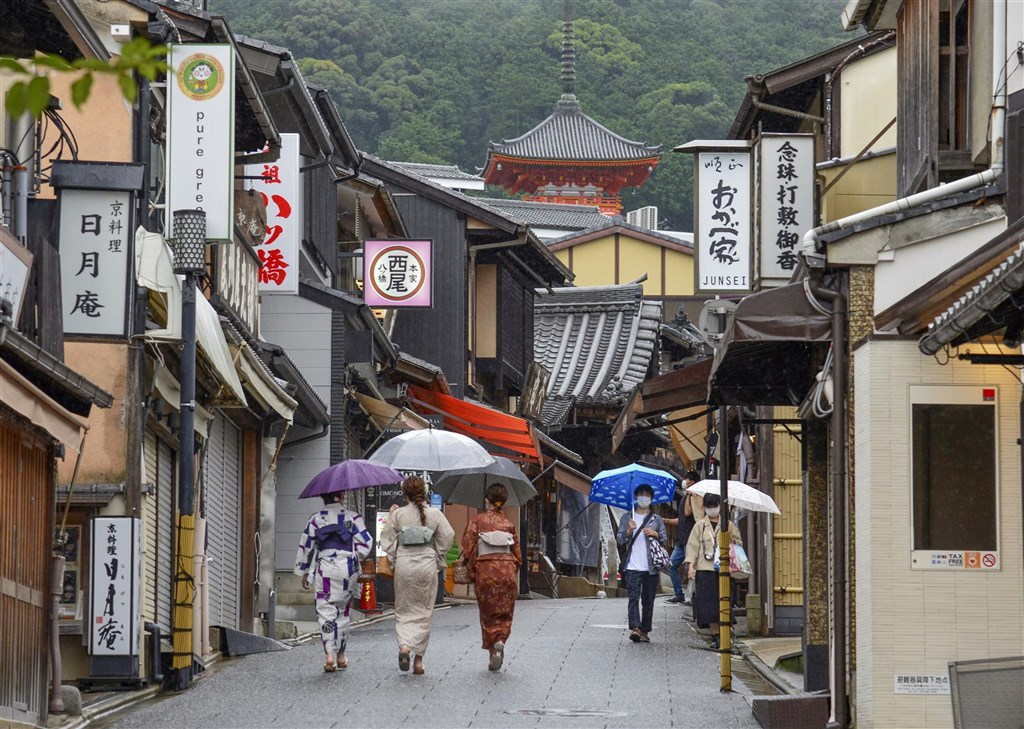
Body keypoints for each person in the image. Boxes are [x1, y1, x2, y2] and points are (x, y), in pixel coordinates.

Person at [380, 475, 455, 675]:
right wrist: (436, 553)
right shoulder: (435, 514)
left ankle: (404, 646)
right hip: (427, 564)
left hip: (405, 564)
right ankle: (419, 661)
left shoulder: (398, 515)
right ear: (424, 492)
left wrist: (397, 552)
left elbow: (386, 541)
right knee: (424, 611)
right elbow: (448, 536)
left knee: (404, 609)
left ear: (405, 494)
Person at [294, 491, 373, 672]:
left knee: (325, 609)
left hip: (325, 567)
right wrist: (352, 553)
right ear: (342, 496)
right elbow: (366, 543)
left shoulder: (315, 519)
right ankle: (341, 655)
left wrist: (304, 570)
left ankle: (330, 654)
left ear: (323, 497)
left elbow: (306, 547)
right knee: (343, 611)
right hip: (347, 568)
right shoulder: (353, 517)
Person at [461, 483, 522, 671]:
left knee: (488, 613)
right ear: (503, 502)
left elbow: (468, 548)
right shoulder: (509, 525)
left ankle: (492, 652)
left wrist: (472, 570)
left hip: (486, 570)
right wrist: (510, 570)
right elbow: (518, 555)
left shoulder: (477, 521)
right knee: (504, 612)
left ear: (487, 501)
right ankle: (501, 641)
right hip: (507, 570)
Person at [685, 492, 742, 650]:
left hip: (724, 568)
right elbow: (692, 547)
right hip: (705, 568)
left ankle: (726, 634)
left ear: (720, 506)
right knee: (708, 605)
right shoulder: (700, 525)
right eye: (709, 506)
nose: (712, 509)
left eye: (714, 506)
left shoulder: (728, 524)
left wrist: (730, 540)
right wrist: (691, 567)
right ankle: (715, 635)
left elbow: (738, 543)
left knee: (724, 602)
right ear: (705, 508)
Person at [616, 484, 668, 643]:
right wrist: (629, 531)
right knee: (633, 597)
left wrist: (656, 534)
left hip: (650, 567)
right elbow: (619, 539)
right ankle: (635, 628)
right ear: (636, 497)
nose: (643, 498)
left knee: (648, 600)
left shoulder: (656, 519)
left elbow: (665, 539)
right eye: (641, 495)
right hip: (632, 565)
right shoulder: (627, 517)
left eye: (647, 495)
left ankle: (645, 630)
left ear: (651, 499)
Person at [662, 470, 702, 604]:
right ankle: (679, 594)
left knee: (690, 569)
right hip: (682, 539)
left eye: (687, 479)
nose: (684, 481)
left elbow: (687, 512)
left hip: (691, 539)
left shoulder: (695, 496)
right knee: (671, 565)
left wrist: (690, 495)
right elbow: (682, 519)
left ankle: (693, 596)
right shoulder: (686, 496)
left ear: (693, 482)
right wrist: (667, 521)